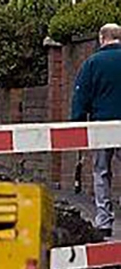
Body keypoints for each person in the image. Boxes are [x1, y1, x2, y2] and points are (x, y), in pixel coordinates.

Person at [72, 23, 121, 239]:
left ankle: (104, 221)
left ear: (102, 38)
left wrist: (78, 123)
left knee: (102, 173)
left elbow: (81, 98)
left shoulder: (92, 63)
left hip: (102, 126)